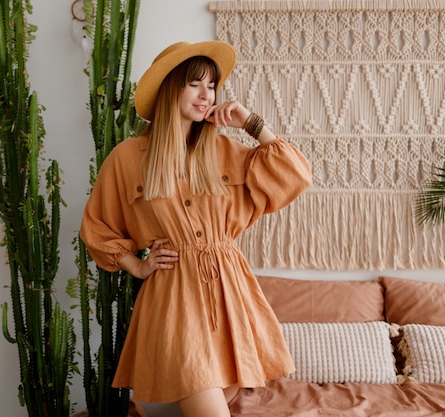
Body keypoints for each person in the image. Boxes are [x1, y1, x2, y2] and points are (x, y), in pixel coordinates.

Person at [80, 40, 312, 417]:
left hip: (230, 294)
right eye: (195, 84)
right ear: (172, 87)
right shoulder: (127, 159)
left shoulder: (224, 151)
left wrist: (252, 124)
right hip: (174, 300)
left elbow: (296, 176)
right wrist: (137, 265)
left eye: (212, 85)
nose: (207, 95)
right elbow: (96, 227)